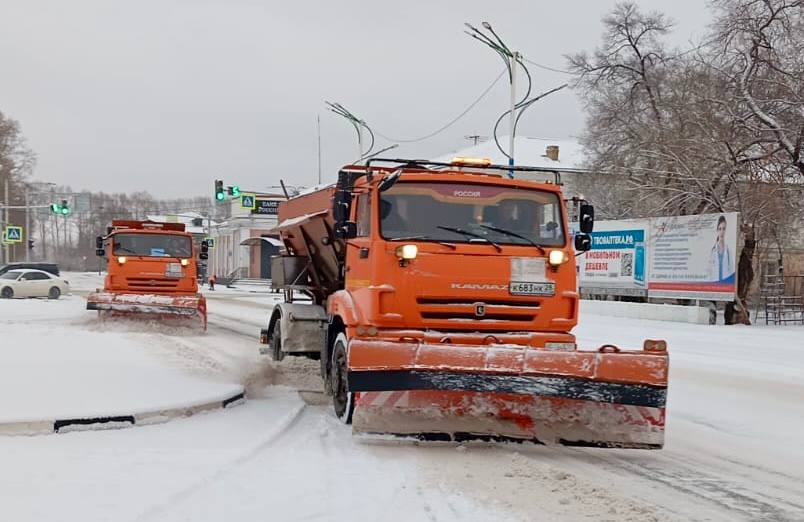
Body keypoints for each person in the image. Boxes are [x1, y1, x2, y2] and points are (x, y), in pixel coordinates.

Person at [707, 215, 734, 281]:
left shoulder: (729, 250)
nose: (722, 232)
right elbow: (709, 271)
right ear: (717, 230)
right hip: (715, 286)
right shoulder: (712, 250)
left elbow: (731, 271)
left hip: (725, 286)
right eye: (720, 229)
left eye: (724, 228)